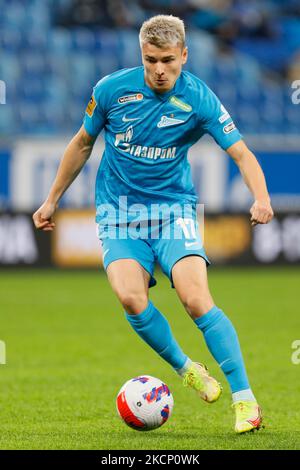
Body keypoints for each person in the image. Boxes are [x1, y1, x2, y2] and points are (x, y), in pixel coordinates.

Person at [33, 15, 274, 433]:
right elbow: (82, 143)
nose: (160, 70)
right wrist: (52, 199)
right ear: (140, 56)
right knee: (130, 298)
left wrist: (262, 197)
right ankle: (187, 368)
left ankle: (245, 400)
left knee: (196, 298)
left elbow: (241, 153)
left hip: (173, 211)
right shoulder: (111, 90)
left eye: (168, 61)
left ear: (184, 55)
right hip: (118, 212)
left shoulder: (199, 99)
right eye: (151, 61)